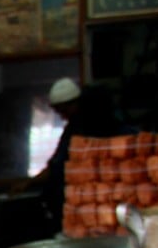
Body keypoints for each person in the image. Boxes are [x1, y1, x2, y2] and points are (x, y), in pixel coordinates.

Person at [24, 78, 126, 234]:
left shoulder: (89, 126)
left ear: (74, 104)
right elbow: (57, 164)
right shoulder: (74, 128)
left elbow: (59, 165)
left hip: (96, 199)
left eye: (63, 110)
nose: (62, 116)